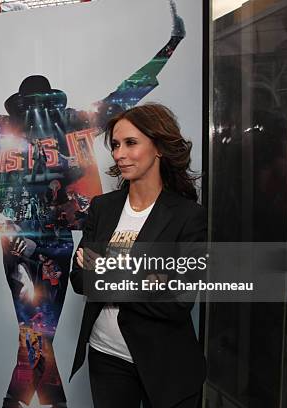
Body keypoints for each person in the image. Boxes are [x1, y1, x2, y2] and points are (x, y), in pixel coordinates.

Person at [0, 2, 186, 406]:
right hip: (38, 240)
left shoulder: (1, 129)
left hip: (33, 241)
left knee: (34, 330)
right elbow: (126, 93)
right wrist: (170, 46)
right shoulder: (66, 120)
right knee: (37, 330)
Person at [70, 103, 207, 408]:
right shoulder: (102, 207)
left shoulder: (187, 216)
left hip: (166, 364)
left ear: (158, 147)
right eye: (116, 145)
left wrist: (105, 270)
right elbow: (79, 279)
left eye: (131, 143)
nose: (119, 153)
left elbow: (179, 300)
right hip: (105, 357)